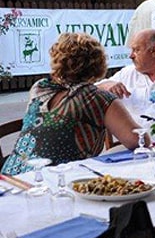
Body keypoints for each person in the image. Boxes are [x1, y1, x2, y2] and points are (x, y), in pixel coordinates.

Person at [2, 33, 140, 175]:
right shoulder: (99, 99)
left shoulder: (40, 88)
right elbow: (139, 141)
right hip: (59, 179)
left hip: (10, 177)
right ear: (98, 63)